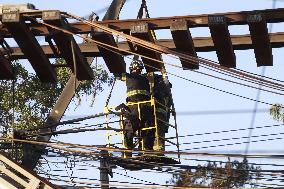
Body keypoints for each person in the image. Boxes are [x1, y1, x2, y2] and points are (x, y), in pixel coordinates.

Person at [115, 60, 155, 154]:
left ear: (131, 68)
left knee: (130, 126)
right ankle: (146, 149)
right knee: (147, 128)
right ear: (140, 69)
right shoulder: (146, 80)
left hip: (134, 108)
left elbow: (117, 75)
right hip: (146, 108)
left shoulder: (128, 76)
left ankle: (128, 150)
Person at [152, 74, 173, 151]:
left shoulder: (159, 90)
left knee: (156, 132)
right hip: (162, 116)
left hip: (157, 115)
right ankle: (159, 149)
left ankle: (157, 149)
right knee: (159, 133)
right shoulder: (167, 94)